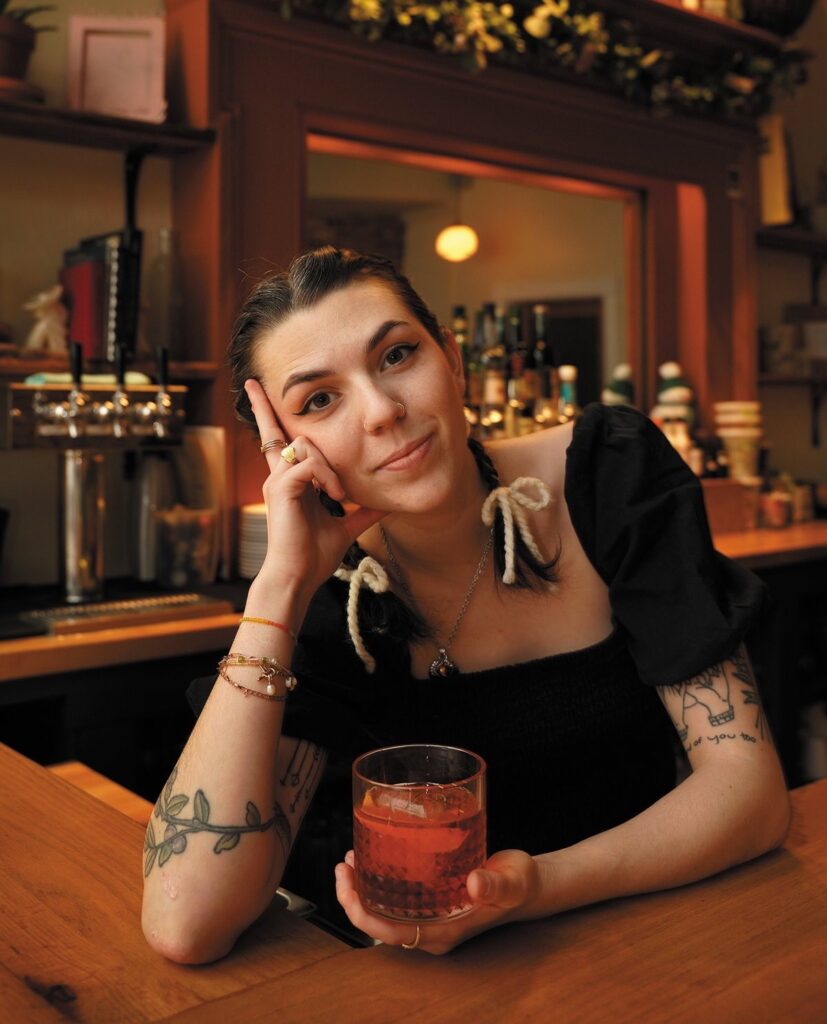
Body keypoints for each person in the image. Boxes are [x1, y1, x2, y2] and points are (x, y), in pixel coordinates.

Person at [141, 247, 790, 963]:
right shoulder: (331, 594)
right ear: (289, 448)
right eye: (319, 400)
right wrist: (278, 589)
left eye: (395, 356)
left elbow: (749, 794)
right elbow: (187, 922)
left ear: (451, 362)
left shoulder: (607, 472)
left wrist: (534, 887)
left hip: (641, 951)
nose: (383, 411)